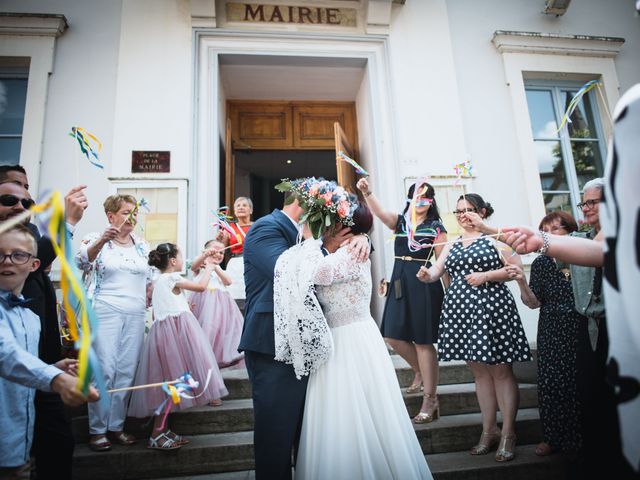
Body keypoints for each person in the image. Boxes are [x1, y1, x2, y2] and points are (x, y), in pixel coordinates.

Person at [274, 202, 432, 479]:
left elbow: (318, 273)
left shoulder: (352, 252)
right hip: (338, 337)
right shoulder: (346, 249)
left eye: (332, 221)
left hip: (351, 340)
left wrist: (314, 240)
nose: (326, 227)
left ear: (344, 226)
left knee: (356, 406)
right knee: (338, 411)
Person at [240, 187, 369, 480]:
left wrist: (361, 237)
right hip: (272, 345)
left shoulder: (316, 238)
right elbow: (289, 272)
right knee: (276, 436)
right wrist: (324, 243)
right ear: (306, 205)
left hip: (310, 343)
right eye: (332, 212)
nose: (336, 222)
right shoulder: (265, 228)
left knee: (307, 433)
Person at [417, 193, 532, 462]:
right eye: (458, 211)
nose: (462, 215)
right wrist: (426, 276)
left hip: (493, 311)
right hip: (462, 314)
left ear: (481, 211)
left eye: (468, 210)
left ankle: (509, 433)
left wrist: (487, 276)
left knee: (501, 372)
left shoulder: (495, 236)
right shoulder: (452, 241)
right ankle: (489, 431)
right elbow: (436, 271)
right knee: (479, 373)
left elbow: (515, 268)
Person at [0, 168, 88, 480]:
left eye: (27, 201)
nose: (10, 263)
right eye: (10, 198)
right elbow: (5, 354)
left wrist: (54, 366)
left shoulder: (23, 309)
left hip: (42, 368)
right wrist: (54, 378)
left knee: (55, 447)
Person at [357, 177, 447, 424]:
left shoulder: (437, 227)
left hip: (424, 282)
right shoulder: (400, 223)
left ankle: (430, 398)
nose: (422, 201)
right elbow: (381, 213)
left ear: (431, 202)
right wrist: (368, 192)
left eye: (426, 197)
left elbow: (442, 263)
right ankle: (420, 370)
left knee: (423, 341)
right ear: (410, 199)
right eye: (417, 196)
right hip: (399, 279)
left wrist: (450, 296)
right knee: (393, 336)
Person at [128, 243, 228, 450]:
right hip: (176, 336)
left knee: (173, 385)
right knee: (173, 385)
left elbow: (162, 308)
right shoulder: (171, 278)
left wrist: (182, 305)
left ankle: (162, 429)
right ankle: (156, 434)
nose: (183, 260)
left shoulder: (159, 281)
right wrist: (209, 267)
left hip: (166, 335)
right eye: (181, 256)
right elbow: (200, 287)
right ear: (173, 261)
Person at [504, 212, 586, 457]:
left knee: (579, 383)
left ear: (571, 231)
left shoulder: (582, 258)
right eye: (545, 229)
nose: (550, 233)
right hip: (550, 328)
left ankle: (583, 435)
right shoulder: (540, 263)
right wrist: (521, 282)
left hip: (581, 326)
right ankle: (552, 437)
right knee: (551, 384)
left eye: (556, 228)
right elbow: (533, 302)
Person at [75, 195, 152, 452]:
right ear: (111, 216)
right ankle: (97, 430)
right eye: (126, 212)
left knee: (126, 371)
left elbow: (149, 277)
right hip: (105, 310)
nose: (132, 217)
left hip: (136, 313)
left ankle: (116, 427)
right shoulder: (97, 238)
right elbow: (82, 261)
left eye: (134, 213)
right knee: (105, 369)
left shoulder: (142, 245)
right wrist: (103, 240)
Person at [189, 239, 244, 368]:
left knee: (219, 330)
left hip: (222, 307)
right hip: (203, 303)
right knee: (205, 328)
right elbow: (193, 266)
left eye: (222, 252)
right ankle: (202, 357)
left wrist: (216, 267)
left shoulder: (219, 269)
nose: (219, 254)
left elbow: (228, 281)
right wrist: (205, 257)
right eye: (215, 250)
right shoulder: (200, 267)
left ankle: (216, 357)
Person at [220, 196, 254, 299]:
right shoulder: (229, 228)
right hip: (235, 264)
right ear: (234, 211)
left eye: (244, 205)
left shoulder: (257, 226)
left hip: (252, 262)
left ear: (251, 210)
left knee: (251, 293)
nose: (241, 207)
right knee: (235, 293)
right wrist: (219, 239)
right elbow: (221, 250)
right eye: (238, 206)